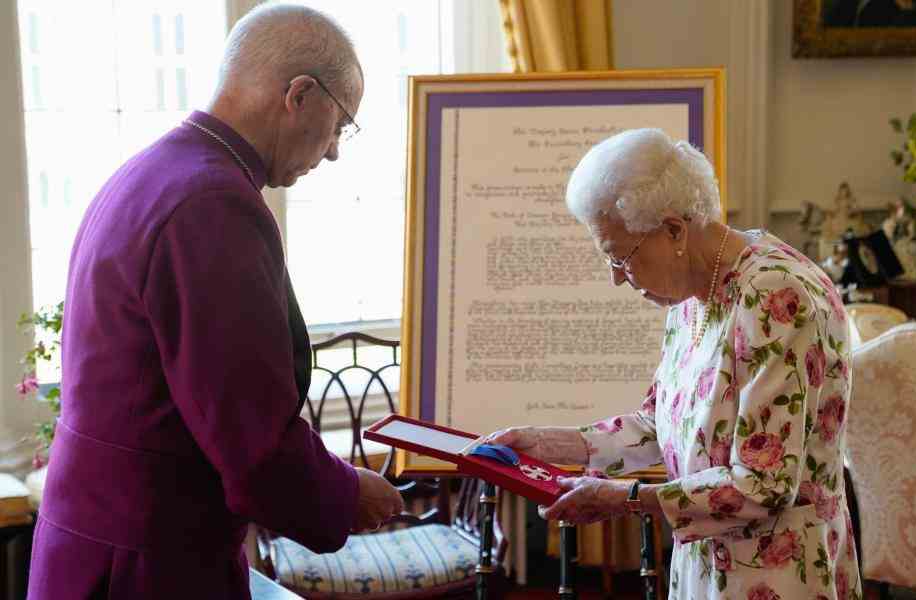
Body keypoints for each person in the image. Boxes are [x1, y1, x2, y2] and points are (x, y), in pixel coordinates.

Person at [28, 5, 403, 599]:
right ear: (300, 95)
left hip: (97, 537)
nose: (333, 151)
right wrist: (344, 494)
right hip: (150, 560)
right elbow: (245, 425)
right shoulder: (212, 204)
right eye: (341, 124)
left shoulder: (155, 170)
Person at [488, 129, 862, 599]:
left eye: (619, 257)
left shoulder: (774, 295)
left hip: (779, 573)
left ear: (673, 230)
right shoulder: (691, 293)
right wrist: (545, 442)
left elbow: (763, 484)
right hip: (710, 563)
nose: (616, 280)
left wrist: (623, 500)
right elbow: (660, 425)